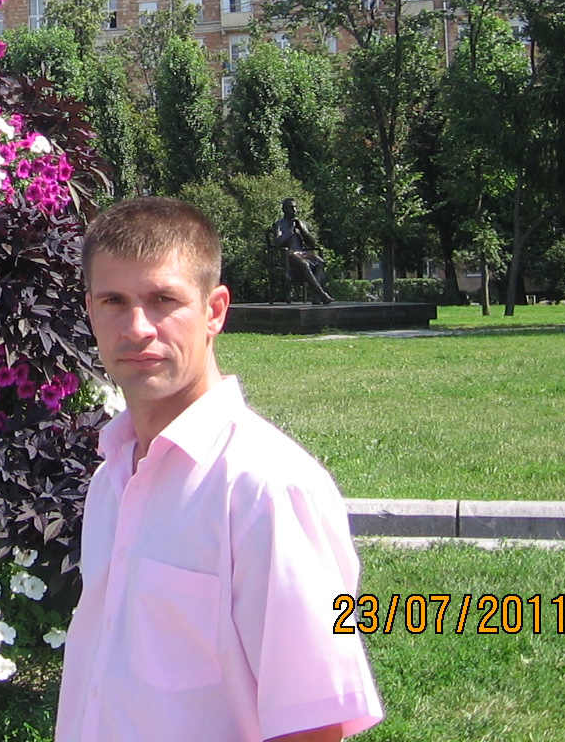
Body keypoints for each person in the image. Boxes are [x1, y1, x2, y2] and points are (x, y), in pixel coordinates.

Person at [56, 197, 381, 742]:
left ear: (215, 310)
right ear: (90, 310)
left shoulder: (266, 488)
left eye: (163, 300)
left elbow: (313, 724)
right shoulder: (112, 477)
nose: (137, 328)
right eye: (114, 301)